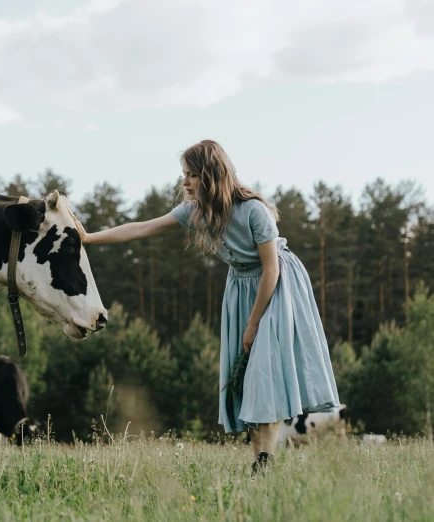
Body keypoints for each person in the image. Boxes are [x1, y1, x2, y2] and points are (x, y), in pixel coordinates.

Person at [74, 139, 339, 474]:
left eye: (192, 175)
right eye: (184, 174)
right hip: (241, 287)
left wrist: (254, 324)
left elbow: (271, 269)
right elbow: (142, 228)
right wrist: (89, 237)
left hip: (275, 287)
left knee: (264, 374)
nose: (184, 182)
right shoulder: (196, 213)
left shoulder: (254, 210)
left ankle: (265, 462)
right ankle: (261, 462)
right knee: (245, 378)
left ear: (212, 175)